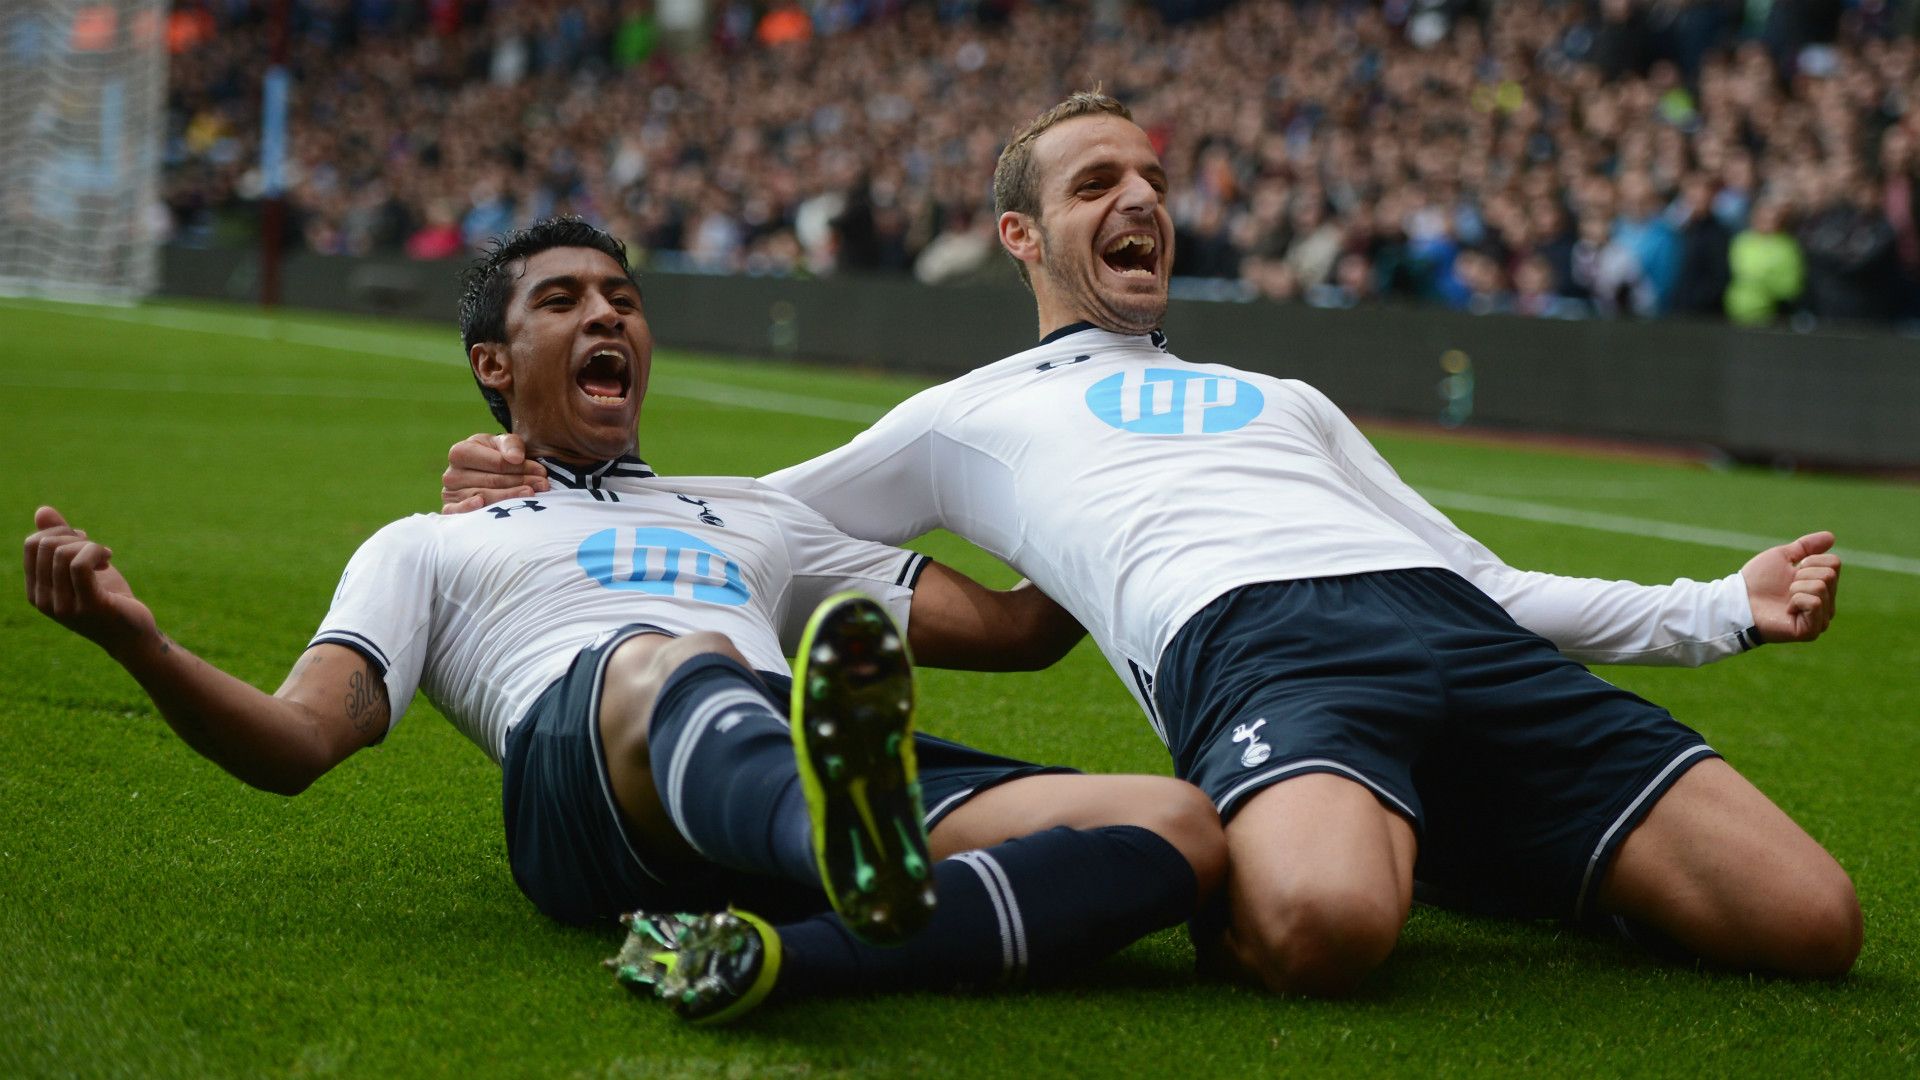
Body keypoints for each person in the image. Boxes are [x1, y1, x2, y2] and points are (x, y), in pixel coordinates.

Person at [442, 97, 1857, 997]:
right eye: (1096, 181)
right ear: (1023, 234)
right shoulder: (967, 414)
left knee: (1814, 925)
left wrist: (1716, 606)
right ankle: (1320, 845)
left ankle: (1452, 834)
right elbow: (743, 514)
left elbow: (1485, 581)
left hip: (1454, 633)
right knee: (1327, 935)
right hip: (1262, 656)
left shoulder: (1285, 396)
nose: (1141, 199)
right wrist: (540, 481)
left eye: (1154, 177)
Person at [23, 218, 1225, 1025]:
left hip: (778, 753)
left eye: (623, 299)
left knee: (1174, 825)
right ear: (496, 364)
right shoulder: (429, 543)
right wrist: (143, 645)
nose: (606, 315)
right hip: (583, 779)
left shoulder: (759, 514)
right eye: (563, 301)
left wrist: (1126, 484)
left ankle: (785, 950)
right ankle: (838, 844)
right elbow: (296, 744)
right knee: (673, 659)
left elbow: (1019, 630)